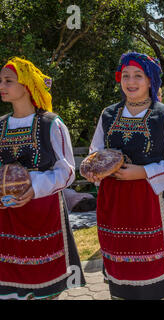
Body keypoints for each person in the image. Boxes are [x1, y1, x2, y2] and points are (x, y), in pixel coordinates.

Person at [84, 52, 164, 300]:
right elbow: (95, 152)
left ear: (150, 81)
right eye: (125, 76)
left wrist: (144, 172)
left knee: (158, 275)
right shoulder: (109, 114)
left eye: (138, 76)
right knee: (122, 270)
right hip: (116, 205)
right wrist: (95, 170)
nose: (130, 82)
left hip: (154, 203)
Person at [0, 57, 85, 300]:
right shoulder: (1, 125)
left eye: (8, 80)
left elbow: (67, 170)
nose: (1, 86)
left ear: (26, 85)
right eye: (0, 81)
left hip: (43, 214)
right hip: (7, 217)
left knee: (44, 288)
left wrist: (34, 187)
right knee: (10, 288)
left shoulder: (50, 123)